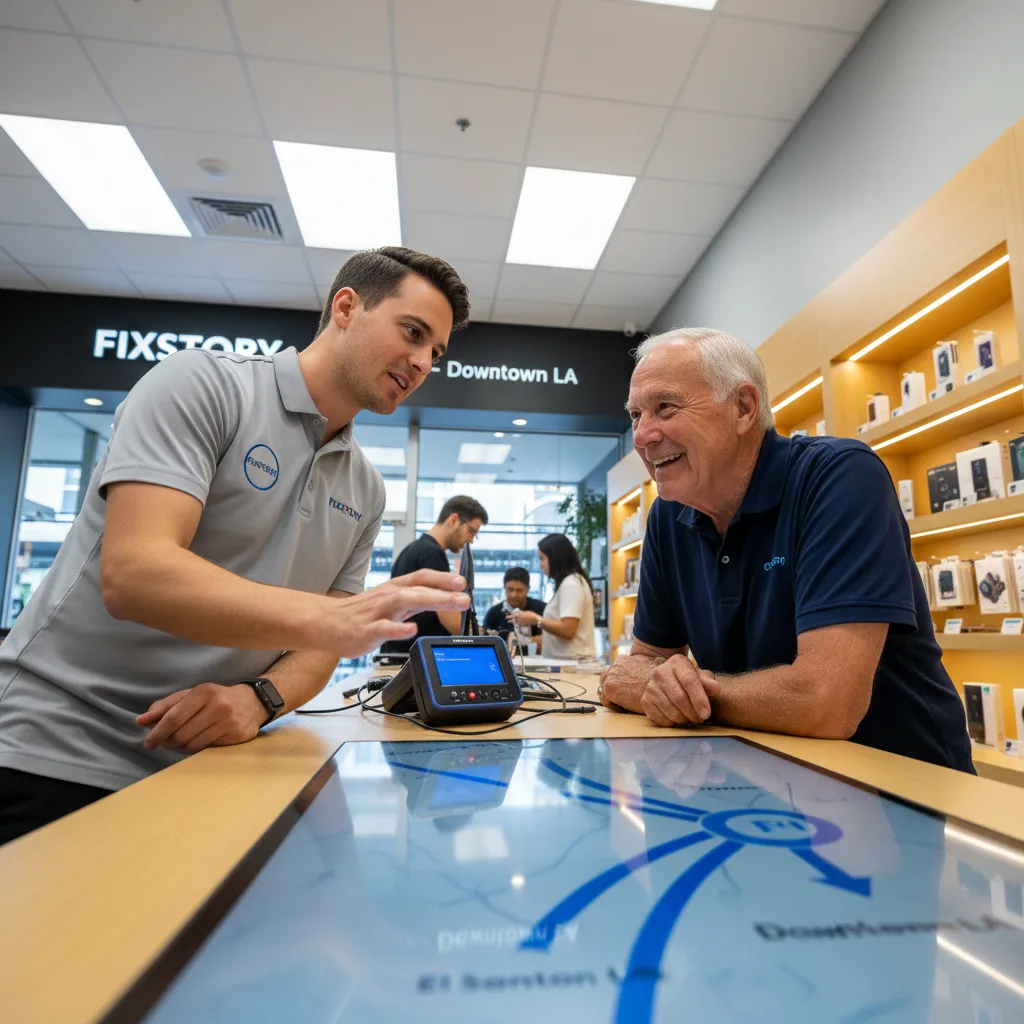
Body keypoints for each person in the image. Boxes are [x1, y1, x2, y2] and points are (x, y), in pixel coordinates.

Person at [0, 246, 474, 846]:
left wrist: (259, 700)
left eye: (436, 351)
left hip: (213, 766)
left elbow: (319, 647)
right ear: (347, 307)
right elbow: (135, 572)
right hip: (58, 752)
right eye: (413, 332)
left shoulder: (367, 489)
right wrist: (335, 616)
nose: (422, 361)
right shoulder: (204, 385)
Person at [600, 327, 974, 773]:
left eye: (664, 408)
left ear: (743, 407)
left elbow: (827, 702)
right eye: (635, 415)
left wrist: (683, 695)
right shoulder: (668, 515)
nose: (643, 436)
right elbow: (644, 665)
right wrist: (654, 684)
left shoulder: (840, 478)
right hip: (769, 778)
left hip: (905, 790)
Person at [381, 495, 489, 653]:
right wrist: (487, 636)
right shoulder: (432, 554)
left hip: (399, 652)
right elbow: (451, 620)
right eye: (471, 531)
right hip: (409, 657)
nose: (471, 540)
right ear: (453, 520)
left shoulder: (416, 549)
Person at [514, 533, 595, 660]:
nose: (540, 565)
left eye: (542, 559)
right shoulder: (567, 584)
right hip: (565, 663)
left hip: (573, 664)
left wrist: (536, 620)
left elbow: (568, 629)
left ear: (554, 558)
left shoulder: (571, 584)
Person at [482, 566, 546, 641]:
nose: (514, 595)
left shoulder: (541, 609)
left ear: (528, 589)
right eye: (510, 589)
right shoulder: (493, 614)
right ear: (504, 588)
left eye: (519, 590)